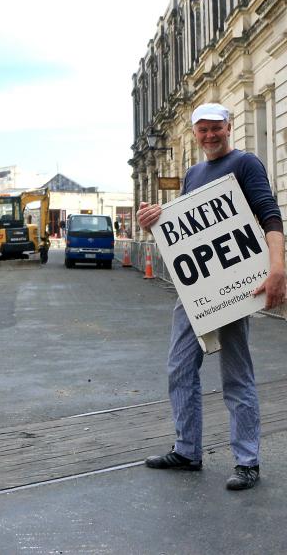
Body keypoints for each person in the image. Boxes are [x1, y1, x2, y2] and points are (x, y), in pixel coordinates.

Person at [137, 103, 286, 491]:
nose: (209, 136)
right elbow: (188, 223)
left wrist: (277, 268)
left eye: (215, 128)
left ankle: (247, 461)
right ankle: (188, 450)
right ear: (194, 133)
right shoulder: (192, 173)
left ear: (228, 127)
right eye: (202, 130)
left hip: (235, 288)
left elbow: (269, 215)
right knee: (179, 368)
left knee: (236, 374)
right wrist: (157, 216)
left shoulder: (246, 163)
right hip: (196, 293)